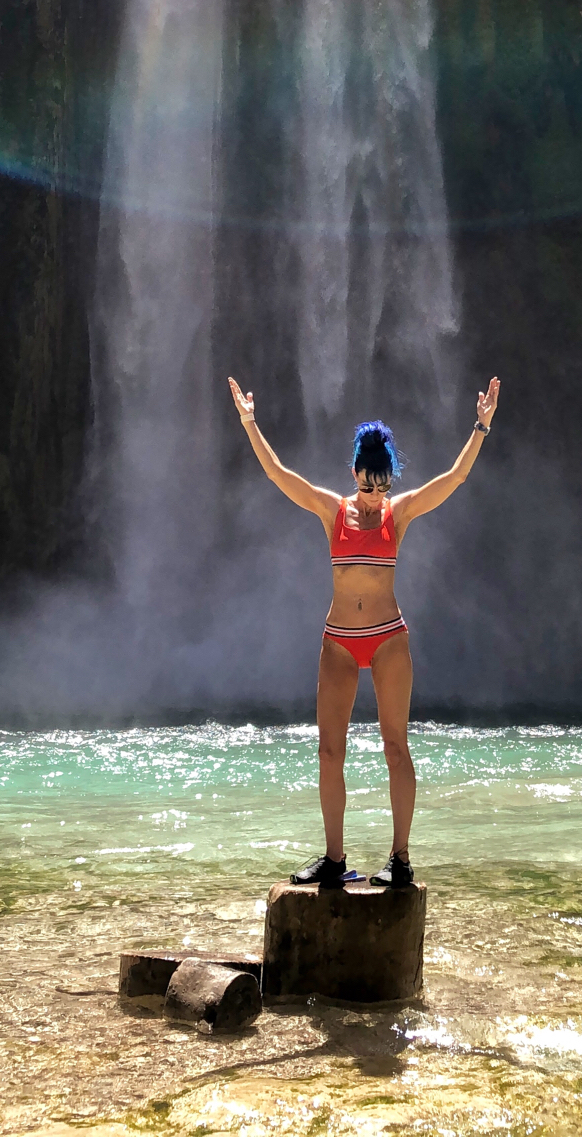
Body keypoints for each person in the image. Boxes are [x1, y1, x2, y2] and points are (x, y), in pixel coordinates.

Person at [226, 373, 501, 888]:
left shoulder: (400, 513)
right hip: (339, 643)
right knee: (330, 750)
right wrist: (249, 421)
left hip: (388, 638)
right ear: (354, 473)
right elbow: (277, 473)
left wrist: (480, 428)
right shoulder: (333, 510)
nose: (374, 496)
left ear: (390, 479)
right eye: (366, 484)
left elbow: (455, 478)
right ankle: (334, 860)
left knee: (395, 746)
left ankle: (399, 858)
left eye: (382, 485)